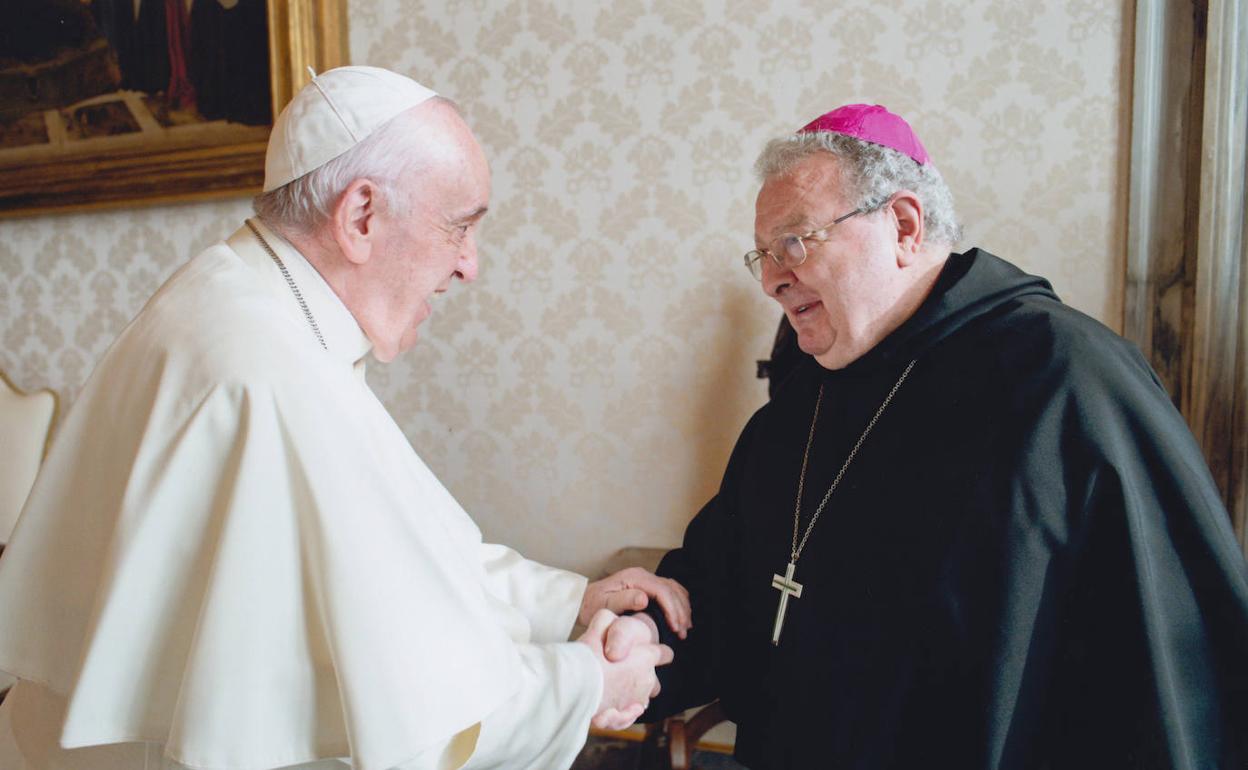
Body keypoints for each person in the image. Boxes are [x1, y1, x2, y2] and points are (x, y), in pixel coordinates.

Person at [0, 66, 689, 770]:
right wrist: (589, 683)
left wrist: (568, 601)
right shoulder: (272, 377)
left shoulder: (236, 295)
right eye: (459, 228)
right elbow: (416, 733)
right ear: (360, 215)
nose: (469, 267)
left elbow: (398, 554)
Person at [633, 104, 1248, 769]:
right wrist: (634, 642)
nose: (771, 278)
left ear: (903, 224)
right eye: (763, 254)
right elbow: (717, 587)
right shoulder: (796, 409)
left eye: (795, 241)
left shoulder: (1066, 380)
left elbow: (1165, 663)